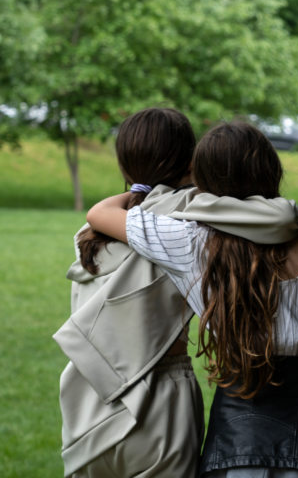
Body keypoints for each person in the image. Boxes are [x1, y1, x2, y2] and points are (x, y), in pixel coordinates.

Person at [87, 120, 298, 478]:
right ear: (272, 170)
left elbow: (100, 214)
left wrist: (146, 192)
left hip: (237, 426)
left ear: (204, 181)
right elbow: (270, 222)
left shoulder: (187, 242)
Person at [54, 107, 204, 478]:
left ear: (124, 166)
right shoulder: (188, 226)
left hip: (85, 403)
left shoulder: (88, 236)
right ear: (189, 162)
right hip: (161, 400)